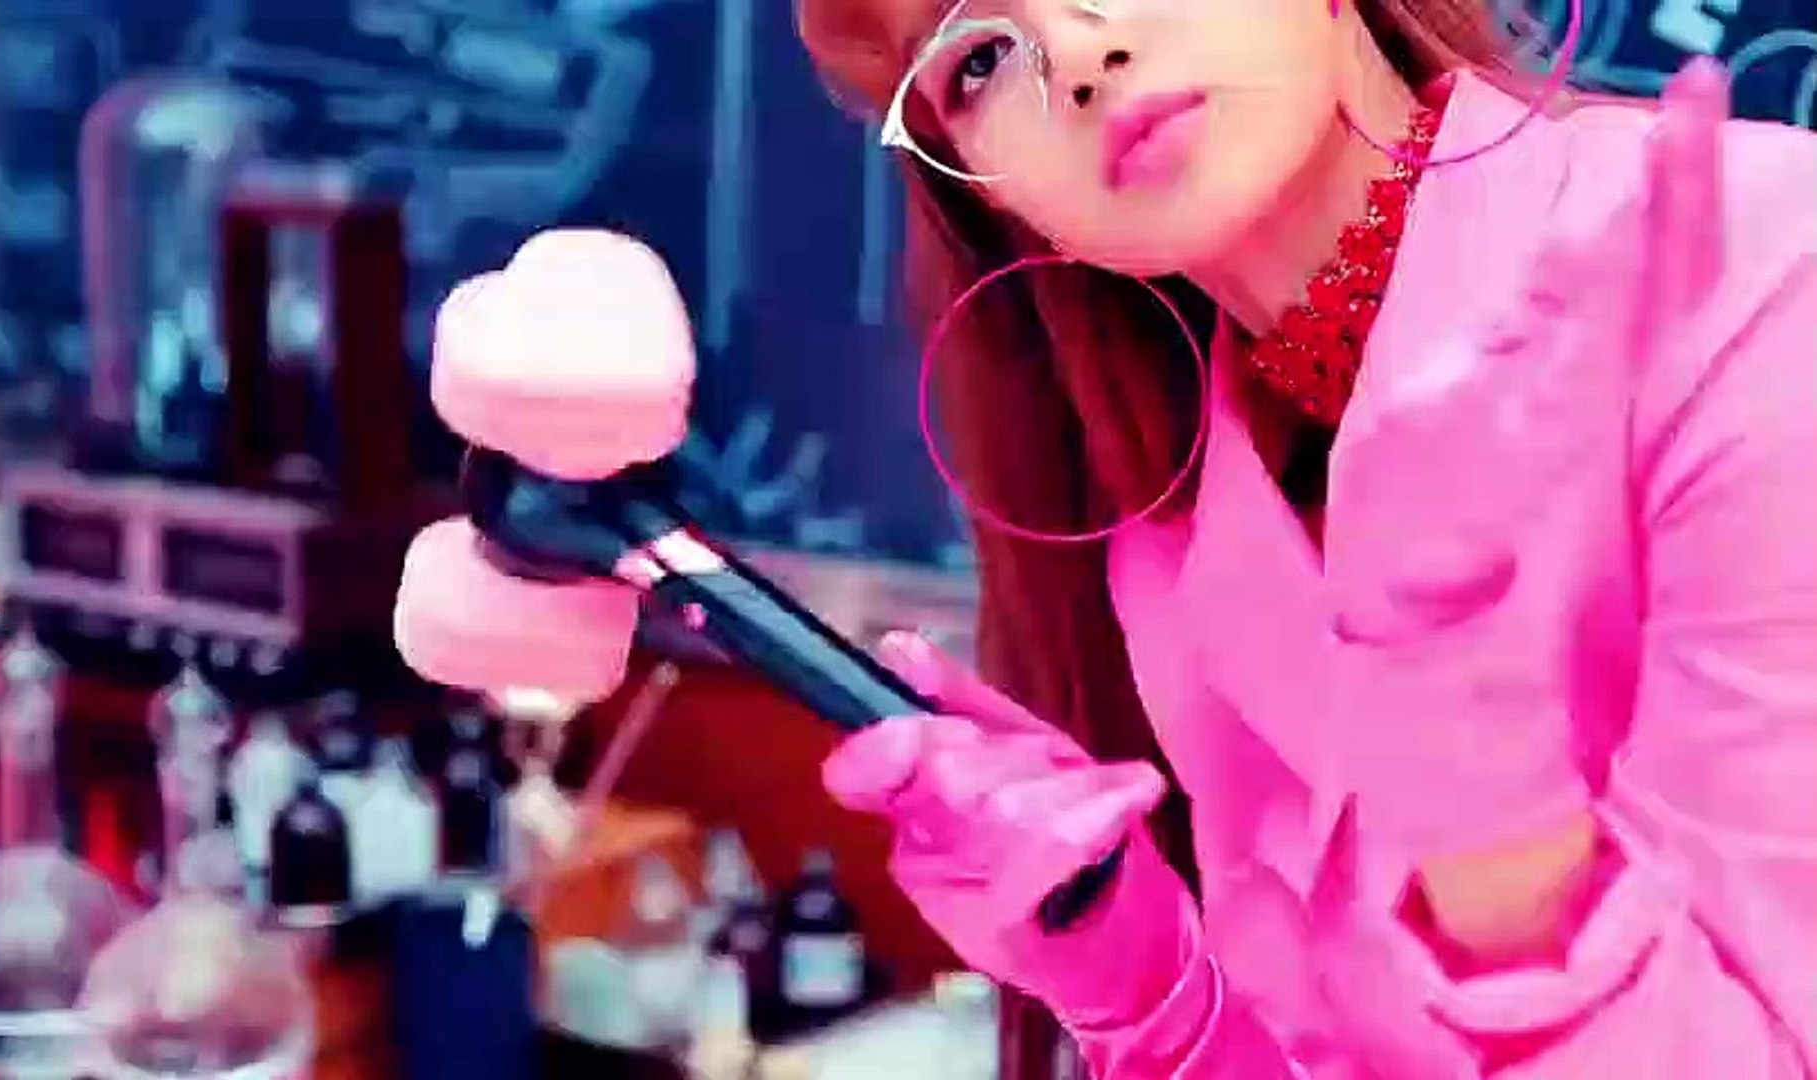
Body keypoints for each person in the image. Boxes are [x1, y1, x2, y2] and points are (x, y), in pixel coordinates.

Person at [394, 0, 1817, 1075]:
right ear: (1003, 201)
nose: (1076, 53)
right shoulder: (1177, 545)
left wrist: (1492, 810)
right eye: (978, 62)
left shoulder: (1759, 278)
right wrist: (1144, 986)